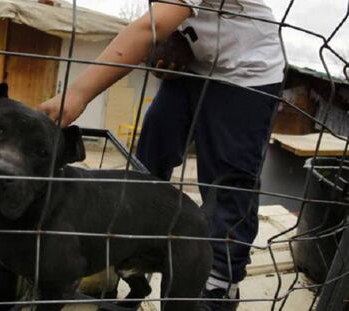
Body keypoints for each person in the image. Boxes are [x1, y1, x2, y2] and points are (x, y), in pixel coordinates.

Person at [39, 1, 284, 310]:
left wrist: (76, 94)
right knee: (151, 154)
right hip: (197, 64)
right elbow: (162, 23)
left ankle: (220, 282)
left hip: (246, 71)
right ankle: (135, 251)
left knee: (228, 179)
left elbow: (146, 28)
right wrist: (172, 38)